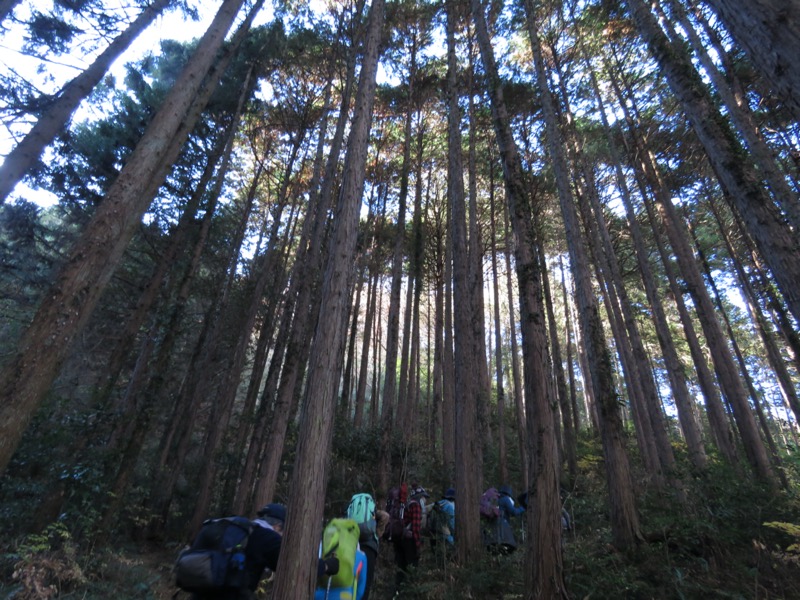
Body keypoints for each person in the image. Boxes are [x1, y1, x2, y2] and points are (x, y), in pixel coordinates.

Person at [190, 503, 339, 600]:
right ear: (278, 526)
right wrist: (327, 566)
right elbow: (298, 566)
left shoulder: (235, 527)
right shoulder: (266, 537)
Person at [393, 483, 428, 595]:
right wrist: (417, 545)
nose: (425, 500)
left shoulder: (407, 504)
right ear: (420, 497)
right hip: (410, 541)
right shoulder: (416, 506)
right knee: (412, 567)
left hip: (400, 539)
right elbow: (416, 527)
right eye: (424, 497)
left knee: (401, 567)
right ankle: (411, 593)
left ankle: (398, 592)